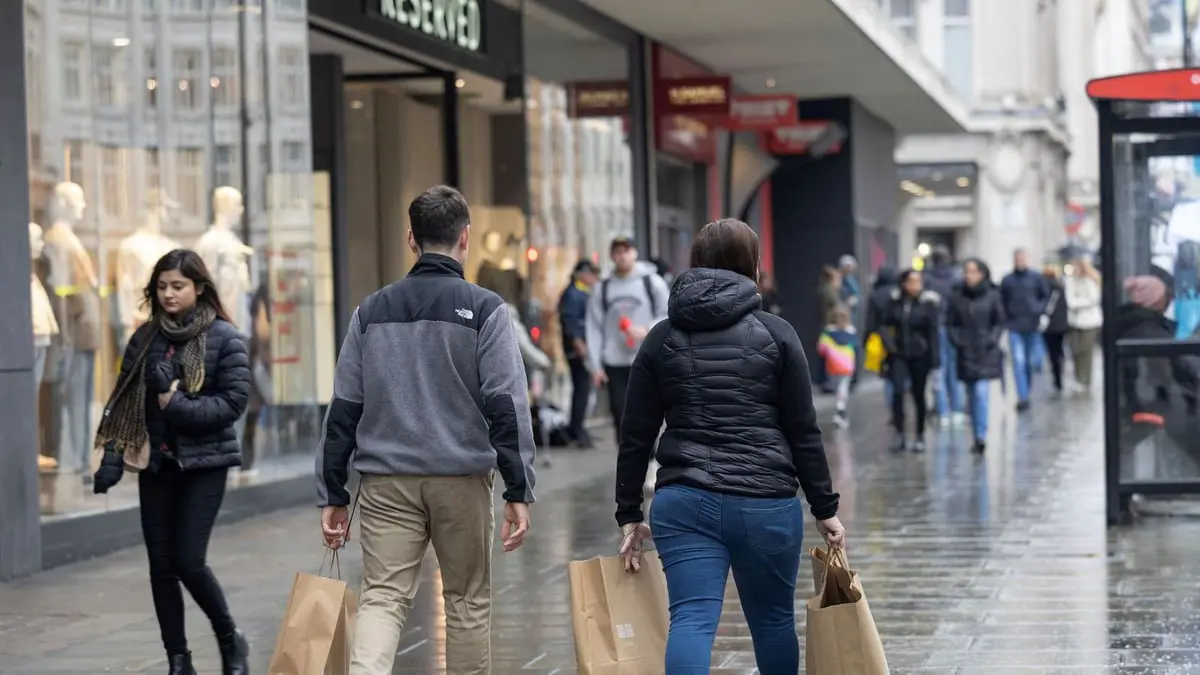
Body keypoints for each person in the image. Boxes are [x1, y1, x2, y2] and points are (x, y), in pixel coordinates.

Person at [316, 185, 536, 675]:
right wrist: (518, 487)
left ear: (411, 239)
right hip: (461, 479)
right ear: (466, 237)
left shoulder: (370, 311)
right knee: (466, 599)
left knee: (382, 597)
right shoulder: (487, 310)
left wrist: (333, 491)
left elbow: (344, 407)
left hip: (386, 482)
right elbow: (507, 405)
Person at [613, 218, 844, 675]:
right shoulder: (777, 333)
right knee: (773, 622)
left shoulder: (661, 336)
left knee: (691, 621)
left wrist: (629, 513)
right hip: (765, 502)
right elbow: (803, 429)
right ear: (752, 266)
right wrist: (825, 507)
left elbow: (636, 432)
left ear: (695, 263)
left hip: (684, 500)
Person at [91, 249, 251, 675]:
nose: (168, 294)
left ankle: (230, 638)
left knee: (189, 561)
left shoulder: (225, 339)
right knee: (161, 569)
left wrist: (172, 402)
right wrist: (112, 457)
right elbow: (124, 402)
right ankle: (179, 661)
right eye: (161, 286)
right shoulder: (145, 339)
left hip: (205, 466)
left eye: (177, 286)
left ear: (199, 287)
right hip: (158, 467)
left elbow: (231, 405)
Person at [585, 236, 670, 438]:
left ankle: (648, 451)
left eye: (626, 251)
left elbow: (668, 314)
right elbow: (594, 328)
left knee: (647, 414)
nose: (622, 256)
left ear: (634, 253)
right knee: (620, 415)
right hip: (615, 362)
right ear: (611, 256)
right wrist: (595, 365)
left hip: (646, 359)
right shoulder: (602, 289)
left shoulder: (652, 282)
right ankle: (626, 454)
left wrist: (647, 329)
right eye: (617, 252)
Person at [946, 259, 1006, 454]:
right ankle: (975, 432)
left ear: (982, 274)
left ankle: (981, 435)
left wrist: (992, 339)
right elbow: (950, 322)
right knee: (971, 395)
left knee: (981, 392)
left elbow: (999, 321)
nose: (969, 276)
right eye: (967, 272)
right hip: (965, 351)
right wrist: (957, 341)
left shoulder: (992, 295)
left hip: (985, 351)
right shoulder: (957, 297)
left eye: (973, 272)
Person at [878, 269, 941, 452]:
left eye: (918, 282)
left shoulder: (927, 304)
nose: (915, 286)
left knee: (918, 394)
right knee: (898, 392)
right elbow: (883, 324)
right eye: (911, 282)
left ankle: (919, 435)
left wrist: (935, 359)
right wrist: (890, 345)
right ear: (903, 284)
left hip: (920, 354)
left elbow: (933, 332)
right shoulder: (895, 303)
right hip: (898, 354)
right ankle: (899, 434)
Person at [1000, 248, 1051, 410]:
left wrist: (1039, 310)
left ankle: (1026, 391)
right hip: (1014, 325)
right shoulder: (1007, 280)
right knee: (1018, 361)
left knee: (1030, 361)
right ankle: (1022, 396)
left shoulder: (1036, 277)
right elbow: (1001, 301)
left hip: (1032, 325)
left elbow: (1046, 296)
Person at [558, 258, 600, 447]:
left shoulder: (582, 291)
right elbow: (571, 323)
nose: (594, 278)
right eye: (591, 274)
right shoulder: (573, 293)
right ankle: (576, 430)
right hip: (577, 349)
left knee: (583, 389)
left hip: (582, 347)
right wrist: (580, 347)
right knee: (582, 389)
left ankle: (577, 428)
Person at [923, 246, 965, 425]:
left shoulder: (927, 279)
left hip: (935, 326)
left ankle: (942, 409)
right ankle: (957, 408)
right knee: (953, 368)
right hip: (952, 326)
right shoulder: (956, 278)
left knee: (938, 368)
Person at [866, 267, 903, 414]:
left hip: (881, 339)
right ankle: (899, 406)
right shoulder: (898, 293)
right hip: (899, 337)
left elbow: (870, 321)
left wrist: (866, 339)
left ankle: (892, 409)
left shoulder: (875, 295)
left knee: (888, 375)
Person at [1065, 256, 1103, 391]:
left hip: (1090, 322)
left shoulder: (1090, 280)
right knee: (1075, 350)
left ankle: (1085, 379)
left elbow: (1093, 299)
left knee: (1085, 351)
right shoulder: (1071, 280)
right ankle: (1078, 377)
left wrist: (1077, 303)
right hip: (1075, 321)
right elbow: (1069, 300)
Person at [818, 305, 858, 428]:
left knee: (837, 387)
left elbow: (821, 349)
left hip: (833, 365)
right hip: (847, 366)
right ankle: (841, 410)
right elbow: (856, 349)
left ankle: (840, 410)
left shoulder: (827, 333)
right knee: (843, 388)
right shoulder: (852, 333)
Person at [1039, 265, 1070, 393]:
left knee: (1052, 352)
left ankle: (1057, 377)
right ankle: (1060, 368)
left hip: (1048, 325)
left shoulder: (1043, 288)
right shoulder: (1060, 287)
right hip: (1061, 324)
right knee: (1059, 349)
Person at [838, 254, 861, 324]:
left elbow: (857, 292)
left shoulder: (852, 279)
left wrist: (855, 299)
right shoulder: (839, 279)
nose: (849, 269)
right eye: (847, 266)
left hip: (853, 311)